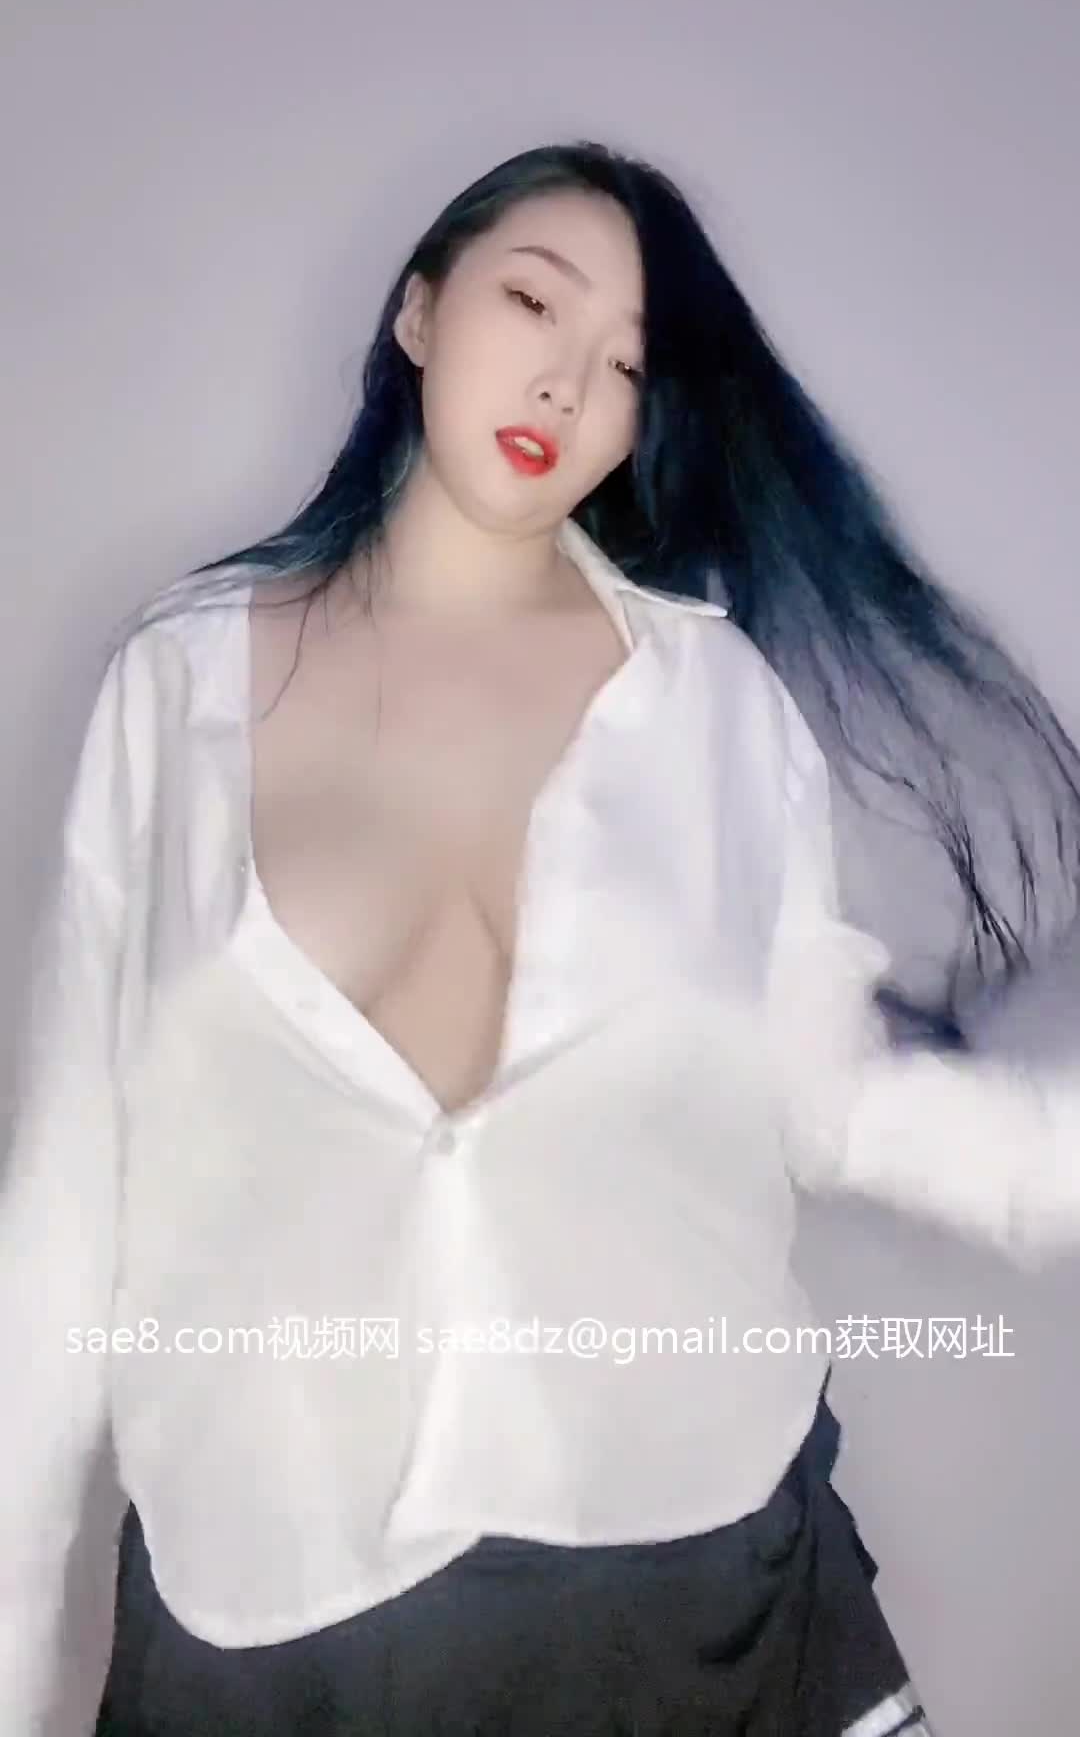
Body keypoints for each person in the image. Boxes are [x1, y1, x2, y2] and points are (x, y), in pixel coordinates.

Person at [4, 139, 1080, 1737]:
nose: (570, 383)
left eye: (628, 364)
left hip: (706, 1587)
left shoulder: (714, 705)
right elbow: (66, 1196)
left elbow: (826, 1094)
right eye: (532, 302)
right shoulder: (175, 686)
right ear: (419, 311)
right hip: (275, 1616)